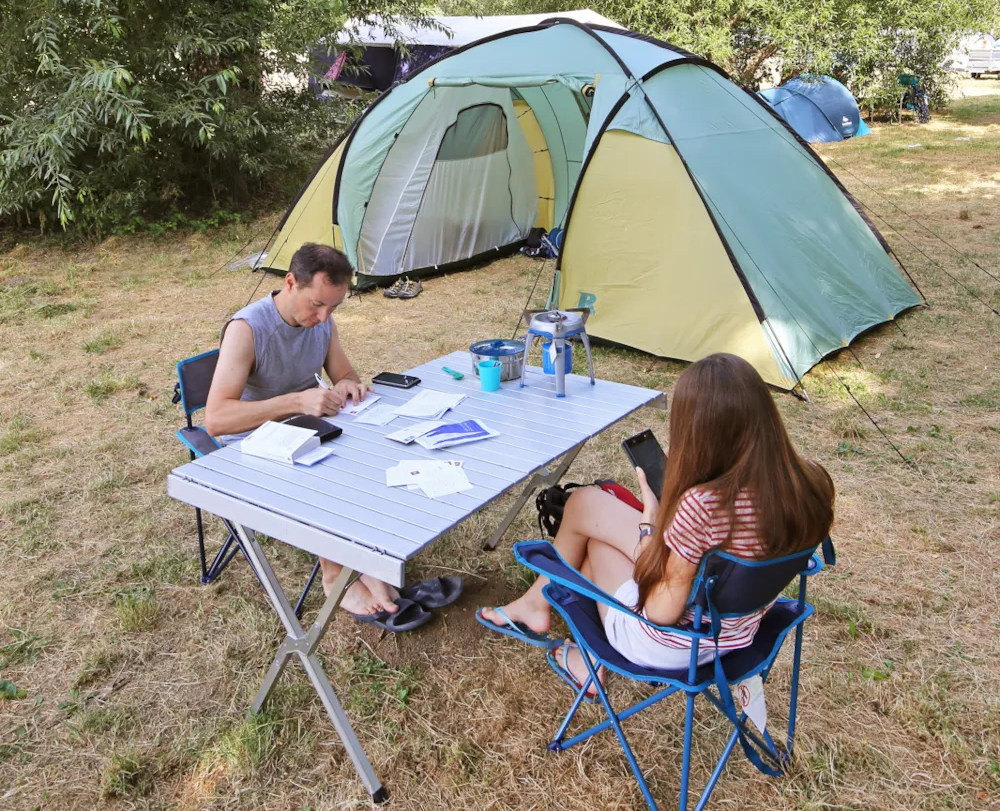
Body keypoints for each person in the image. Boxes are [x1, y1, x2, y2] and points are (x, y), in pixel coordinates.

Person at [477, 352, 835, 695]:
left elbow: (661, 613)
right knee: (585, 503)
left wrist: (651, 524)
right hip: (737, 630)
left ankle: (585, 654)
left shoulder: (704, 506)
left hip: (676, 645)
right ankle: (536, 604)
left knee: (596, 543)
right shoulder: (810, 481)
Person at [205, 242, 399, 622]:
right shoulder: (246, 329)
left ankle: (364, 563)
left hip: (306, 428)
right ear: (291, 282)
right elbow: (216, 419)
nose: (324, 317)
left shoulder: (322, 322)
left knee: (372, 453)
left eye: (334, 308)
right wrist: (296, 402)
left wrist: (348, 386)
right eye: (317, 305)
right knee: (324, 476)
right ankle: (334, 575)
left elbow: (344, 375)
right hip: (252, 440)